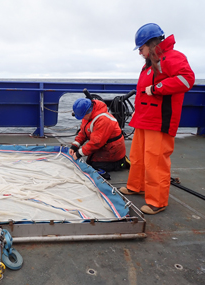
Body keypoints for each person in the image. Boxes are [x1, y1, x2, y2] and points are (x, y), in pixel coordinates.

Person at [119, 23, 195, 215]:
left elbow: (187, 79)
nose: (139, 53)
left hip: (159, 120)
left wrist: (156, 88)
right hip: (144, 119)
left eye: (141, 48)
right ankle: (136, 186)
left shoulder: (172, 57)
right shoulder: (150, 63)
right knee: (137, 157)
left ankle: (157, 201)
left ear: (150, 44)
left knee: (156, 161)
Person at [69, 98, 128, 179]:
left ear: (88, 112)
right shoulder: (88, 116)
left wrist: (79, 153)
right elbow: (83, 132)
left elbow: (96, 142)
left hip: (112, 150)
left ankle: (121, 163)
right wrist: (75, 145)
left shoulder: (103, 120)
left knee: (94, 165)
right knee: (89, 162)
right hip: (104, 147)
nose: (82, 118)